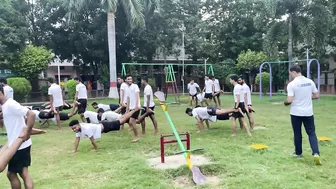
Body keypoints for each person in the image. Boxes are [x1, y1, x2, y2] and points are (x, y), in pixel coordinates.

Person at [284, 65, 321, 165]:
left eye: (290, 73)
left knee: (297, 133)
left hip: (296, 113)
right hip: (308, 112)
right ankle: (316, 153)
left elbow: (290, 100)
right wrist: (308, 98)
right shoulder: (310, 82)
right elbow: (317, 95)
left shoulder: (292, 84)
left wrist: (285, 103)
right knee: (311, 133)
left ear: (294, 72)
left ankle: (298, 153)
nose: (290, 75)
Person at [0, 85, 36, 188]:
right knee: (23, 172)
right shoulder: (5, 106)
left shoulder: (10, 104)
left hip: (19, 145)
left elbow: (31, 114)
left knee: (12, 174)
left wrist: (27, 132)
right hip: (18, 144)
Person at [69, 108, 152, 152]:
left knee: (122, 120)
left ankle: (135, 110)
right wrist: (74, 150)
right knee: (122, 119)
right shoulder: (79, 129)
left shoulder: (85, 129)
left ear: (79, 125)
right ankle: (134, 110)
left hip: (106, 126)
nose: (74, 130)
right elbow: (77, 140)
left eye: (75, 128)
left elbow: (92, 141)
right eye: (73, 129)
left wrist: (96, 149)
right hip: (104, 126)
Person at [124, 75, 141, 142]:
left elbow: (137, 95)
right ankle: (140, 120)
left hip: (136, 107)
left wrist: (136, 106)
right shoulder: (127, 88)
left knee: (131, 121)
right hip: (131, 108)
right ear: (126, 80)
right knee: (132, 121)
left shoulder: (135, 86)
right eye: (128, 79)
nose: (130, 80)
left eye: (131, 79)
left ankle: (137, 136)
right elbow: (128, 99)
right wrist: (127, 109)